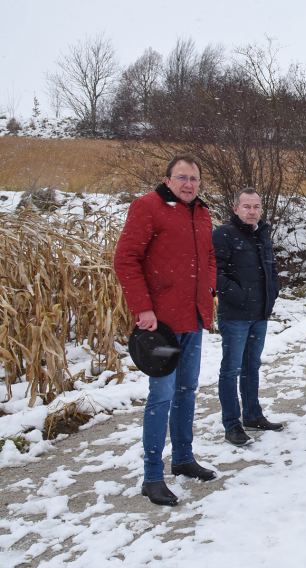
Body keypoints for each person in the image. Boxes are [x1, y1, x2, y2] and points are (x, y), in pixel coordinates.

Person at [114, 155, 217, 506]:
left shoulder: (202, 211)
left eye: (195, 179)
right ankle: (152, 476)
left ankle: (184, 459)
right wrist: (143, 307)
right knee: (161, 396)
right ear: (168, 179)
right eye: (182, 177)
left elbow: (208, 256)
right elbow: (126, 259)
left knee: (187, 390)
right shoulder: (148, 207)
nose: (189, 184)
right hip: (163, 326)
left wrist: (209, 290)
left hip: (195, 319)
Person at [213, 188, 283, 447]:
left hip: (260, 313)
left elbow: (271, 268)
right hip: (235, 315)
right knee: (230, 370)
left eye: (256, 206)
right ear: (236, 208)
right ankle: (232, 425)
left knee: (252, 367)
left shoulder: (262, 234)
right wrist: (238, 294)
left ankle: (253, 414)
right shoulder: (223, 235)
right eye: (247, 206)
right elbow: (215, 273)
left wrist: (272, 293)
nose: (252, 211)